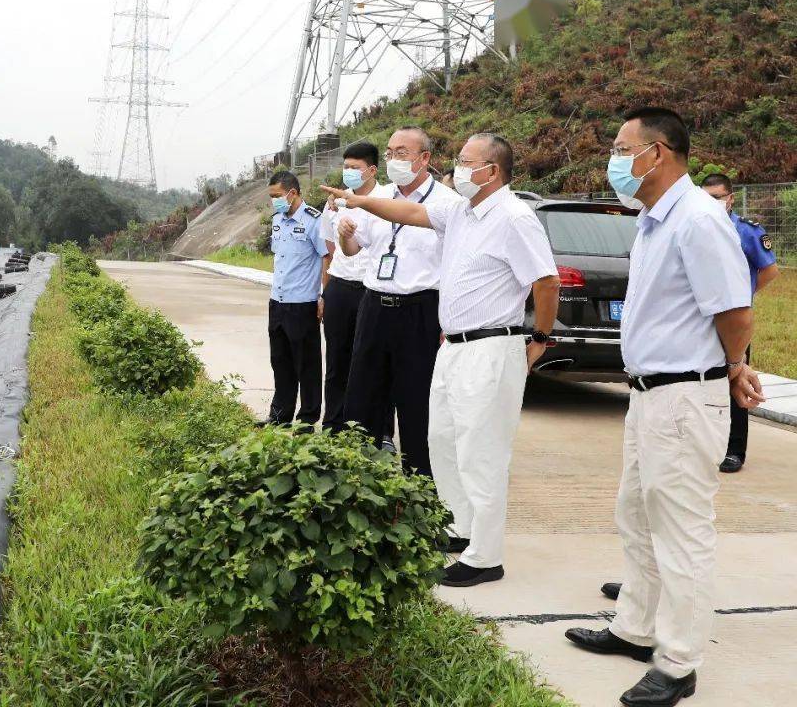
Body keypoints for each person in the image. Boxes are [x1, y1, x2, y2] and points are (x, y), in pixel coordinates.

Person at [562, 107, 763, 707]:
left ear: (661, 153)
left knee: (681, 533)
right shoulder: (652, 218)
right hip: (649, 394)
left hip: (683, 395)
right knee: (637, 517)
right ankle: (635, 627)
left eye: (624, 148)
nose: (615, 160)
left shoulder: (698, 220)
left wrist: (733, 365)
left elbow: (734, 310)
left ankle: (678, 662)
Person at [326, 132, 561, 587]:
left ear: (492, 171)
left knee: (482, 451)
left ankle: (486, 556)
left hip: (492, 346)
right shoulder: (460, 211)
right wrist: (361, 200)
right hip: (453, 346)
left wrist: (541, 339)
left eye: (467, 162)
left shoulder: (513, 216)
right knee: (445, 442)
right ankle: (461, 530)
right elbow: (409, 211)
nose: (458, 168)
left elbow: (546, 281)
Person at [334, 126, 457, 478]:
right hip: (374, 306)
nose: (393, 159)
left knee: (416, 402)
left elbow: (453, 268)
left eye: (402, 152)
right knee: (362, 397)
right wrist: (345, 238)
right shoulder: (379, 198)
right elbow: (357, 249)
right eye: (389, 153)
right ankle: (359, 480)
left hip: (420, 311)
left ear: (425, 158)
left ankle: (420, 487)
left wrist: (446, 323)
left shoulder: (447, 205)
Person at [701, 173, 778, 473]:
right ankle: (708, 444)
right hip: (703, 319)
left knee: (736, 380)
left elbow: (769, 271)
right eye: (706, 197)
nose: (713, 202)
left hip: (733, 321)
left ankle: (735, 450)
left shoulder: (746, 232)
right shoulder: (699, 227)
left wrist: (740, 296)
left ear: (731, 198)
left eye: (718, 197)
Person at [319, 141, 394, 441]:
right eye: (345, 167)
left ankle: (380, 433)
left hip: (371, 289)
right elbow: (328, 252)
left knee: (376, 362)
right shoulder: (335, 203)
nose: (348, 172)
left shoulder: (387, 199)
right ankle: (334, 426)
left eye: (355, 168)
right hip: (339, 287)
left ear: (372, 170)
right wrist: (325, 294)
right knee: (337, 360)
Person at [265, 170, 327, 426]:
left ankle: (307, 419)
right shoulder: (277, 219)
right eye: (271, 197)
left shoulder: (315, 220)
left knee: (307, 365)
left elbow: (327, 256)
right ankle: (280, 416)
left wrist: (323, 296)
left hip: (303, 304)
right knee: (280, 362)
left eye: (277, 196)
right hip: (277, 301)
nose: (274, 201)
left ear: (292, 193)